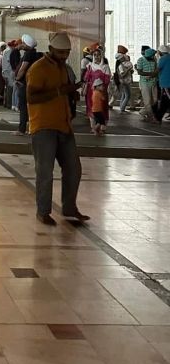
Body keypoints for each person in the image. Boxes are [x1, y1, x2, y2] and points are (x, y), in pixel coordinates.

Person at [26, 31, 89, 226]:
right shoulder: (38, 69)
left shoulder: (64, 68)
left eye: (67, 52)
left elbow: (63, 92)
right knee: (45, 172)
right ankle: (43, 211)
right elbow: (31, 97)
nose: (64, 56)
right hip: (43, 126)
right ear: (51, 49)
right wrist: (59, 92)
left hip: (63, 125)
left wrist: (71, 94)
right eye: (61, 52)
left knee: (73, 169)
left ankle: (69, 208)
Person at [14, 34, 41, 135]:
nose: (21, 44)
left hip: (24, 84)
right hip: (29, 83)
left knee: (23, 106)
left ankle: (21, 129)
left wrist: (17, 78)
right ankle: (31, 127)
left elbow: (23, 68)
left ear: (26, 44)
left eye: (23, 42)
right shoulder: (33, 53)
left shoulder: (28, 54)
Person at [83, 47, 111, 131]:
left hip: (102, 91)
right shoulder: (90, 66)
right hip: (91, 92)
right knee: (91, 107)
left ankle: (102, 125)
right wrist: (84, 88)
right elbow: (86, 79)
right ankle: (93, 126)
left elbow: (107, 80)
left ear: (101, 56)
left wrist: (100, 88)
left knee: (102, 107)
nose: (97, 57)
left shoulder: (105, 67)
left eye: (98, 55)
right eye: (95, 55)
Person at [136, 46, 159, 122]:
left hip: (153, 82)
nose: (154, 56)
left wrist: (154, 75)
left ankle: (143, 112)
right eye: (153, 55)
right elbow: (139, 72)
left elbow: (156, 70)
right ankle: (150, 117)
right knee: (147, 101)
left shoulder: (154, 60)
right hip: (145, 83)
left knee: (155, 100)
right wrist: (151, 74)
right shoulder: (140, 60)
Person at [114, 45, 133, 113]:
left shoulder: (121, 64)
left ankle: (121, 107)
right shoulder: (121, 66)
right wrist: (128, 70)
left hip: (124, 81)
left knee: (124, 94)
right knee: (127, 95)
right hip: (124, 82)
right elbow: (122, 75)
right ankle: (122, 108)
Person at [154, 45, 170, 122]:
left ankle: (157, 118)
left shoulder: (163, 59)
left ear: (160, 52)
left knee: (165, 101)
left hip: (166, 83)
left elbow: (158, 69)